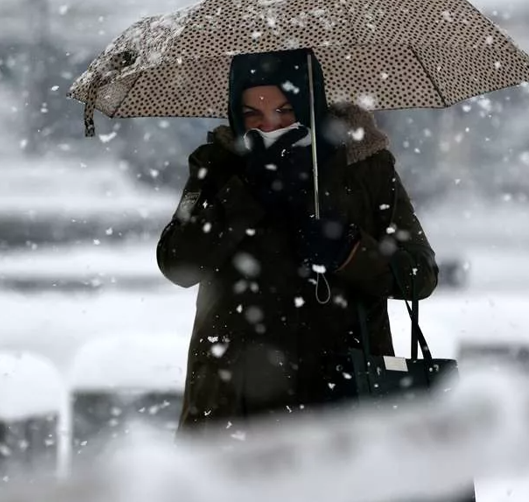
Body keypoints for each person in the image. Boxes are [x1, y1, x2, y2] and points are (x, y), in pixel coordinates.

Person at [157, 49, 439, 436]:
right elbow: (176, 262)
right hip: (233, 401)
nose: (269, 124)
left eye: (285, 110)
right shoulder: (217, 164)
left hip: (344, 396)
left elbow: (418, 274)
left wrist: (350, 251)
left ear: (310, 102)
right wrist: (245, 195)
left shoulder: (364, 164)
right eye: (253, 114)